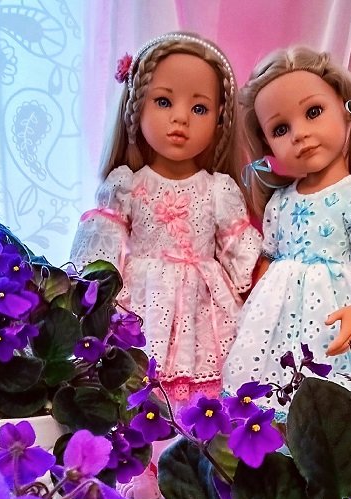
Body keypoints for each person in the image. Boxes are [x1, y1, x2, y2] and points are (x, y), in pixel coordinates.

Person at [222, 45, 351, 411]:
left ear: (347, 112)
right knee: (280, 398)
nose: (299, 134)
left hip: (342, 309)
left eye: (313, 112)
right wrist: (254, 315)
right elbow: (270, 263)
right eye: (281, 129)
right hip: (284, 326)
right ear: (267, 144)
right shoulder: (280, 202)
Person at [70, 31, 262, 404]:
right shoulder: (126, 185)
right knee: (138, 387)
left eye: (199, 108)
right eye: (163, 102)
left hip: (205, 311)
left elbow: (243, 258)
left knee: (212, 394)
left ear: (220, 120)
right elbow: (99, 258)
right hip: (143, 303)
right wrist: (89, 303)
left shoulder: (218, 190)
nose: (180, 118)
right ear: (135, 108)